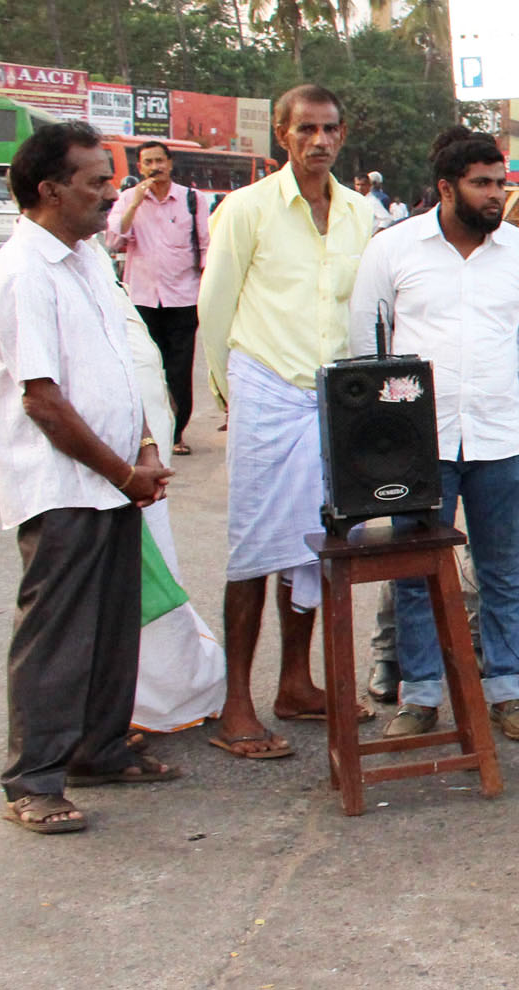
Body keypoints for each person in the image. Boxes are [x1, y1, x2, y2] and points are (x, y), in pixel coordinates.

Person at [0, 122, 181, 835]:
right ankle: (32, 780)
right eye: (97, 181)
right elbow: (44, 402)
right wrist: (125, 472)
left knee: (111, 625)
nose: (111, 192)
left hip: (117, 477)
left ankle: (98, 749)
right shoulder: (19, 274)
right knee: (58, 634)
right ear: (49, 190)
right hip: (63, 484)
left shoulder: (88, 257)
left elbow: (119, 363)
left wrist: (149, 447)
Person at [349, 136, 519, 742]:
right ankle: (420, 697)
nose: (496, 196)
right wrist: (404, 415)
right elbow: (368, 341)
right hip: (419, 446)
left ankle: (505, 692)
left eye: (500, 183)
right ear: (446, 187)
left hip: (500, 436)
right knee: (416, 572)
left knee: (501, 573)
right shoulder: (393, 249)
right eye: (482, 184)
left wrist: (485, 384)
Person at [197, 84, 376, 760]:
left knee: (319, 545)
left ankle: (296, 683)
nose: (320, 141)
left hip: (337, 399)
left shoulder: (363, 213)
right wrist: (228, 395)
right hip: (266, 389)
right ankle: (236, 705)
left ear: (342, 133)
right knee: (252, 550)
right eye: (306, 129)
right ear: (282, 134)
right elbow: (215, 311)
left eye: (330, 129)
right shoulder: (245, 211)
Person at [104, 140, 210, 457]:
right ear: (140, 167)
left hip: (183, 298)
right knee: (146, 367)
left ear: (170, 163)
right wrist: (135, 203)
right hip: (143, 298)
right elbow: (112, 240)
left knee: (179, 369)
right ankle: (147, 432)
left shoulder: (193, 200)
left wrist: (206, 287)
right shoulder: (127, 199)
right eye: (148, 162)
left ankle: (176, 433)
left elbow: (205, 244)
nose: (155, 167)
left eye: (159, 160)